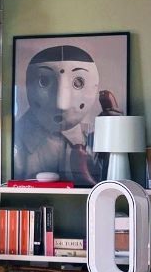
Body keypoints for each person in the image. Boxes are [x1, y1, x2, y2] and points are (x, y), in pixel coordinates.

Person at [14, 44, 108, 185]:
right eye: (44, 81)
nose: (61, 104)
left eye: (78, 82)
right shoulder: (13, 142)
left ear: (95, 88)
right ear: (27, 87)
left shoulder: (98, 140)